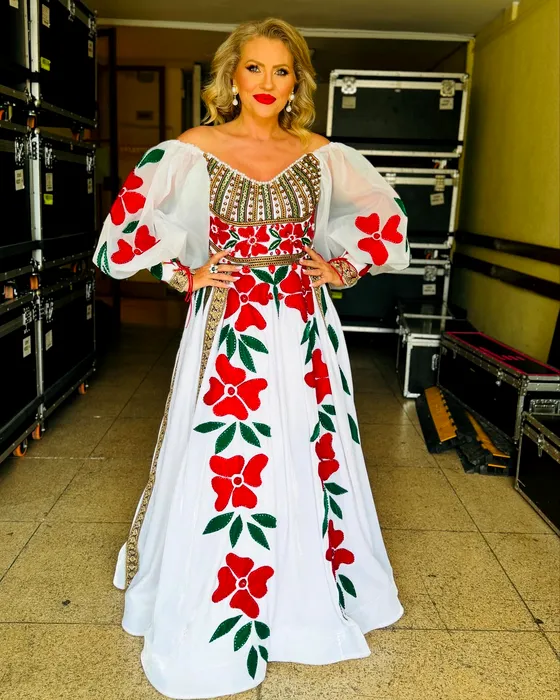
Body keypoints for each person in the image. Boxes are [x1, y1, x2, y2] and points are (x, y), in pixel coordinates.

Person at [93, 16, 409, 699]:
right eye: (255, 68)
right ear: (232, 77)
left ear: (298, 82)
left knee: (302, 440)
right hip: (229, 322)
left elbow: (388, 219)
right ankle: (223, 586)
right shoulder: (193, 148)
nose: (268, 82)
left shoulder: (321, 154)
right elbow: (122, 231)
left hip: (302, 323)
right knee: (229, 450)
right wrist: (182, 273)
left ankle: (302, 592)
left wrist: (344, 267)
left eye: (282, 70)